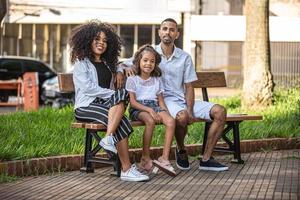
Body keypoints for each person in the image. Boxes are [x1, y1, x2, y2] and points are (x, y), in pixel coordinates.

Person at [121, 18, 228, 172]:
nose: (168, 32)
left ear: (177, 34)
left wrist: (190, 109)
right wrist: (121, 71)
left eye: (172, 30)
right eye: (164, 29)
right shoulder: (150, 53)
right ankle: (181, 149)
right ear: (159, 32)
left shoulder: (184, 57)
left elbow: (189, 86)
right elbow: (124, 63)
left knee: (220, 111)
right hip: (165, 100)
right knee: (182, 116)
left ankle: (206, 159)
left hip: (183, 98)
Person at [69, 20, 149, 182]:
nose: (101, 44)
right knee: (122, 118)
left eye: (105, 41)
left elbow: (126, 62)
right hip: (86, 106)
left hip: (105, 106)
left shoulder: (107, 63)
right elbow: (88, 89)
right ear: (88, 41)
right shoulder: (81, 64)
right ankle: (126, 169)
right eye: (97, 40)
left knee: (121, 110)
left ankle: (108, 139)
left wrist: (120, 70)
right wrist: (112, 94)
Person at [125, 44, 176, 176]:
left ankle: (164, 158)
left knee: (171, 122)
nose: (149, 64)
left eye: (152, 61)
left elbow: (160, 101)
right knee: (150, 120)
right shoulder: (132, 79)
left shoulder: (156, 79)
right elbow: (133, 102)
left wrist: (166, 114)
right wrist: (150, 111)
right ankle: (145, 157)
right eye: (145, 60)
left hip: (155, 106)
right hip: (139, 108)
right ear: (138, 61)